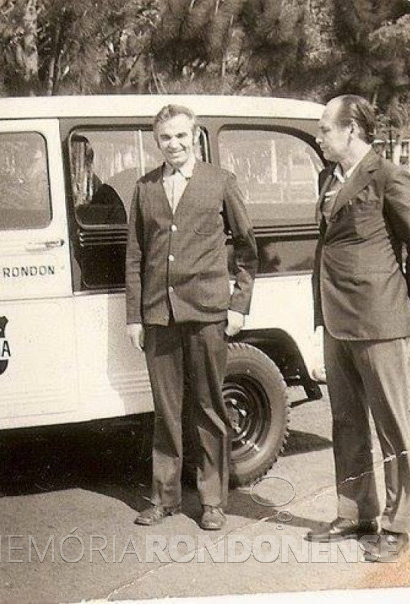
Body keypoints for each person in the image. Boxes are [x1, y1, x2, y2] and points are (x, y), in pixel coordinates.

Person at [305, 95, 410, 562]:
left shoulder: (388, 176)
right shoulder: (329, 177)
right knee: (346, 422)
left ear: (352, 130)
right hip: (336, 319)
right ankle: (356, 511)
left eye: (325, 130)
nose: (319, 138)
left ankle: (397, 525)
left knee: (391, 427)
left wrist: (402, 301)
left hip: (378, 319)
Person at [125, 105, 257, 530]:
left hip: (206, 314)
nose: (174, 145)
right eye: (166, 138)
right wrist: (135, 316)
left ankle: (213, 500)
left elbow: (248, 249)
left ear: (195, 136)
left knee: (208, 407)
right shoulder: (145, 188)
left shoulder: (220, 183)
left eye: (181, 136)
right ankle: (164, 499)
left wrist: (237, 306)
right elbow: (135, 257)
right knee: (165, 410)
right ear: (156, 141)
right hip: (159, 315)